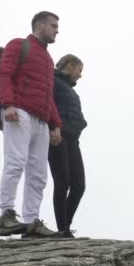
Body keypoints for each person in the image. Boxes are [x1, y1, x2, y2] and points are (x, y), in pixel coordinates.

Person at [0, 11, 63, 238]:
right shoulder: (18, 45)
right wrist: (8, 104)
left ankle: (32, 222)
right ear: (40, 25)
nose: (57, 30)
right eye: (53, 26)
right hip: (19, 113)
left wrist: (56, 125)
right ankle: (6, 215)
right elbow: (4, 75)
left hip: (42, 122)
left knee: (39, 174)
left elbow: (48, 95)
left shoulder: (48, 59)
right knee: (15, 162)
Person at [48, 54, 88, 238]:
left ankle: (65, 226)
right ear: (70, 66)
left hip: (73, 139)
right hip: (56, 136)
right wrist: (53, 128)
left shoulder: (72, 91)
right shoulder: (52, 81)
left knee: (79, 186)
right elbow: (48, 105)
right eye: (79, 70)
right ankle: (63, 229)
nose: (80, 75)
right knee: (62, 182)